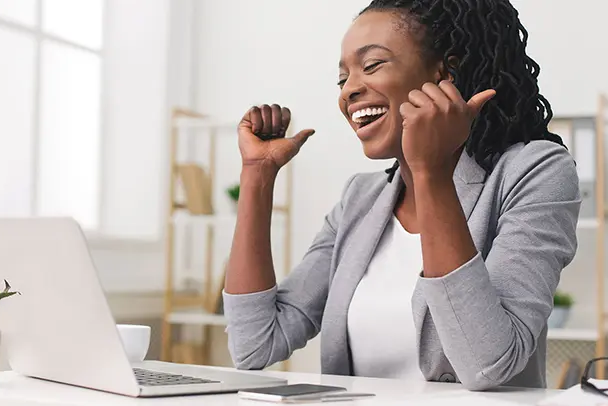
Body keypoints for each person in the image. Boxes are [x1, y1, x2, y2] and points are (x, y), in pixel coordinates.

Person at [222, 0, 580, 391]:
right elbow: (254, 345)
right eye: (343, 79)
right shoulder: (360, 199)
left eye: (372, 65)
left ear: (447, 72)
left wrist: (430, 171)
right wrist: (257, 176)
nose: (350, 91)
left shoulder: (536, 171)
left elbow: (488, 363)